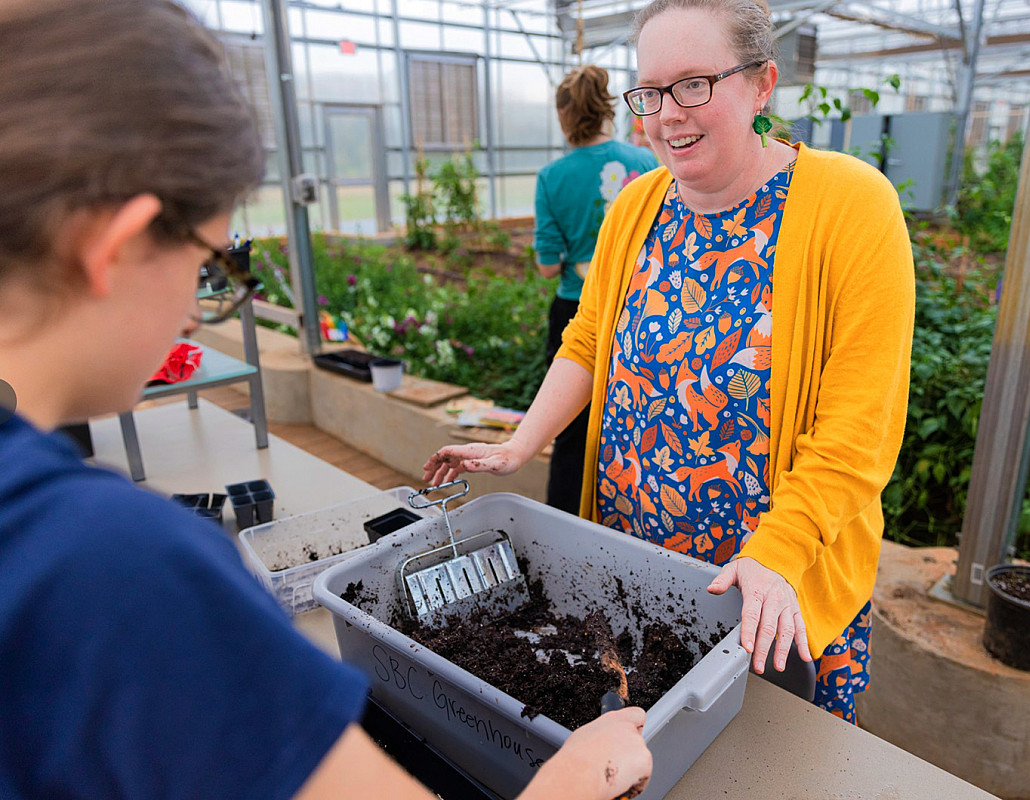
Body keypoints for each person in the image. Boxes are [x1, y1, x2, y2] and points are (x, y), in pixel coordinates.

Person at [0, 2, 653, 798]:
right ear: (119, 246)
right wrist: (586, 771)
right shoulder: (115, 568)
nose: (193, 307)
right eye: (212, 262)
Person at [425, 0, 915, 725]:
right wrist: (520, 443)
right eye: (649, 93)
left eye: (694, 84)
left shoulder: (850, 206)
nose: (665, 116)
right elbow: (588, 342)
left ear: (760, 84)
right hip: (631, 573)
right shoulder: (634, 207)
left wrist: (777, 553)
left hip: (765, 589)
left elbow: (859, 426)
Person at [535, 65, 657, 514]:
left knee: (569, 430)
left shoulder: (552, 176)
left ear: (566, 117)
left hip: (574, 310)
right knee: (633, 423)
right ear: (605, 109)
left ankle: (563, 527)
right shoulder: (647, 163)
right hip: (640, 309)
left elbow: (548, 266)